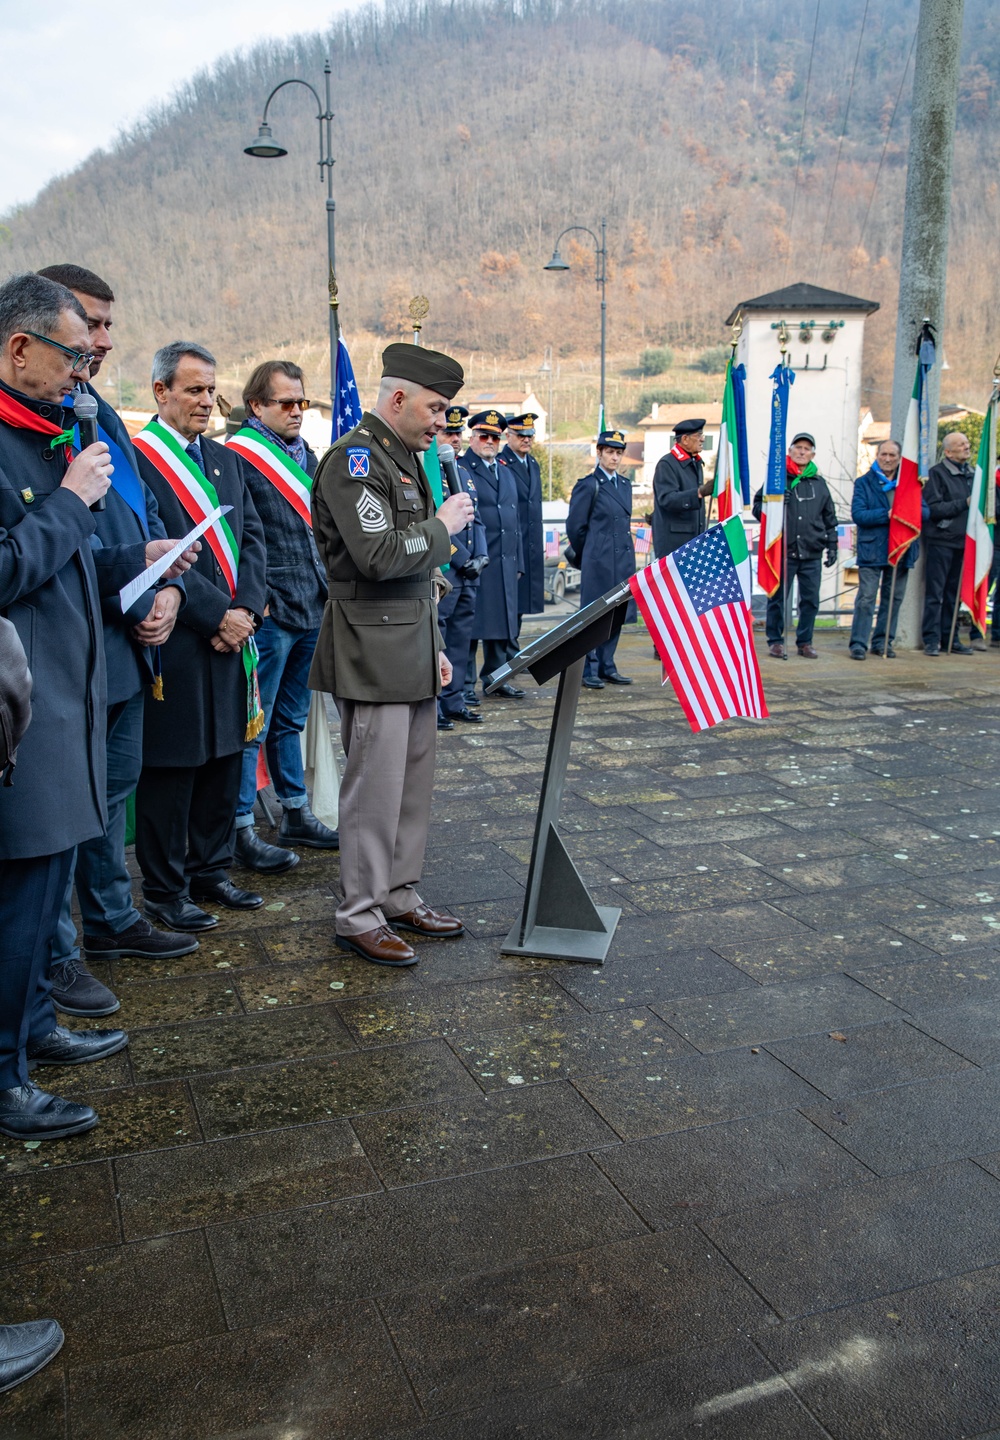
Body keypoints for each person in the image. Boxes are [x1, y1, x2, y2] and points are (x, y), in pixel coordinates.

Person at [0, 272, 142, 1140]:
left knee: (40, 896)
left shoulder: (48, 435)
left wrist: (140, 559)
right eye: (72, 353)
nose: (84, 370)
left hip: (67, 705)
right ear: (19, 348)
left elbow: (66, 569)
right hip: (22, 720)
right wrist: (69, 502)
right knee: (19, 905)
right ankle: (5, 1075)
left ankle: (34, 1028)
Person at [35, 265, 196, 1021]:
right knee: (62, 812)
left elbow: (141, 519)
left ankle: (111, 917)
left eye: (106, 327)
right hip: (71, 644)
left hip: (130, 635)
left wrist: (166, 587)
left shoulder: (97, 410)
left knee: (111, 793)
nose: (102, 341)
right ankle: (56, 956)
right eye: (90, 327)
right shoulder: (38, 413)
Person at [309, 342, 476, 967]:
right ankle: (358, 913)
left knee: (410, 787)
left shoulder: (402, 460)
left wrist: (434, 645)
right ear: (398, 399)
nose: (442, 422)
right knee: (372, 792)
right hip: (372, 646)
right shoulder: (355, 461)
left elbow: (417, 578)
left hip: (409, 644)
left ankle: (399, 893)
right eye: (435, 408)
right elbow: (379, 557)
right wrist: (444, 528)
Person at [133, 341, 267, 931]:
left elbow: (254, 540)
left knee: (223, 758)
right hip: (182, 642)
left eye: (211, 390)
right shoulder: (139, 462)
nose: (206, 401)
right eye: (193, 390)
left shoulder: (225, 460)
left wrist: (248, 612)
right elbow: (153, 554)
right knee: (175, 767)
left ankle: (211, 868)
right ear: (161, 392)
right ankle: (165, 888)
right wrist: (219, 616)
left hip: (233, 639)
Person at [227, 360, 338, 872]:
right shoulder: (238, 457)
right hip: (271, 612)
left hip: (313, 602)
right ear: (257, 406)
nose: (298, 411)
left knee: (291, 719)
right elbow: (237, 535)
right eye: (286, 403)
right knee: (255, 721)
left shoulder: (308, 455)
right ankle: (240, 826)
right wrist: (257, 596)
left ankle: (294, 810)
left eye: (303, 402)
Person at [752, 431, 838, 659]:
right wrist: (774, 504)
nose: (802, 452)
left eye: (806, 449)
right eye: (798, 448)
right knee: (778, 599)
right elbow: (757, 508)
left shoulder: (819, 484)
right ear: (790, 451)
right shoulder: (777, 479)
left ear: (813, 454)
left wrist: (833, 546)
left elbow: (830, 518)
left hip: (812, 551)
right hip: (784, 551)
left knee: (810, 600)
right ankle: (776, 640)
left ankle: (805, 641)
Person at [566, 428, 637, 688]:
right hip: (599, 560)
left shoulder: (625, 485)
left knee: (618, 613)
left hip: (623, 561)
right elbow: (576, 527)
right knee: (595, 616)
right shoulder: (589, 485)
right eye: (610, 452)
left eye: (619, 453)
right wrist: (592, 552)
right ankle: (589, 668)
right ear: (599, 453)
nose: (615, 458)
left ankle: (608, 664)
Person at [465, 409, 524, 699]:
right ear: (472, 437)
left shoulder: (506, 472)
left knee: (502, 625)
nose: (490, 441)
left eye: (495, 437)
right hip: (479, 560)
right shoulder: (463, 468)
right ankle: (463, 688)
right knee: (470, 629)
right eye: (484, 436)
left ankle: (497, 678)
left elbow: (516, 523)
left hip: (505, 562)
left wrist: (520, 562)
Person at [436, 405, 488, 730]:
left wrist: (481, 555)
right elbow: (435, 524)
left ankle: (455, 701)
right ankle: (437, 705)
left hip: (470, 572)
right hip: (448, 569)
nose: (455, 439)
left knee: (461, 640)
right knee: (439, 638)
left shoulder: (464, 473)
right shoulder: (430, 471)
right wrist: (461, 556)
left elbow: (476, 520)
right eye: (449, 432)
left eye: (459, 433)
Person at [849, 438, 917, 659]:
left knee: (893, 598)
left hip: (901, 549)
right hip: (872, 550)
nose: (887, 459)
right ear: (877, 456)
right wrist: (887, 515)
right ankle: (859, 643)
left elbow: (924, 513)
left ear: (899, 459)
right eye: (883, 455)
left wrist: (907, 513)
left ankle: (883, 642)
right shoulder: (864, 482)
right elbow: (859, 515)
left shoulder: (910, 484)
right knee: (867, 598)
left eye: (892, 456)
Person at [921, 431, 974, 656]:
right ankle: (931, 640)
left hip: (964, 542)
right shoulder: (937, 474)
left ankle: (950, 638)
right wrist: (964, 503)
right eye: (961, 444)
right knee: (936, 593)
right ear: (948, 451)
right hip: (941, 541)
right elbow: (933, 509)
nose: (966, 446)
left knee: (954, 595)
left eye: (967, 443)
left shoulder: (973, 475)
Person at [501, 412, 544, 635]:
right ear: (509, 436)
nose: (526, 440)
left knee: (522, 603)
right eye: (521, 435)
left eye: (530, 435)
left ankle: (513, 649)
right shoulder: (502, 463)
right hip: (513, 542)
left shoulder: (533, 464)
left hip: (530, 543)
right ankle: (509, 652)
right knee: (510, 602)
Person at [651, 417, 712, 558]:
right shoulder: (667, 464)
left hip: (694, 543)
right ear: (685, 439)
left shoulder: (695, 463)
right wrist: (699, 493)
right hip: (675, 546)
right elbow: (667, 499)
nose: (702, 439)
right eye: (698, 436)